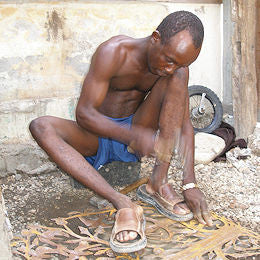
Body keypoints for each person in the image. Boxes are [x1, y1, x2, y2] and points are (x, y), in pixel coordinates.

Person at [29, 11, 212, 253]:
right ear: (156, 38)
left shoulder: (173, 70)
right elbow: (84, 114)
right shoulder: (113, 52)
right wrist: (134, 137)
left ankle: (157, 182)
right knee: (40, 126)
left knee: (180, 77)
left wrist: (190, 183)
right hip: (97, 135)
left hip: (136, 132)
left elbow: (184, 121)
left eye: (179, 63)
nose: (169, 69)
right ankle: (122, 202)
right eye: (169, 60)